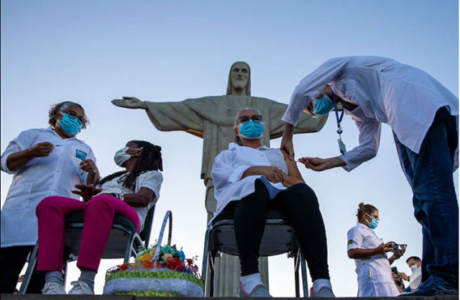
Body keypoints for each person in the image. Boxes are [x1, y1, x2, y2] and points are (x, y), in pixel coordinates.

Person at [281, 56, 458, 296]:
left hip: (415, 104)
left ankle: (449, 275)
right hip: (405, 116)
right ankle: (433, 276)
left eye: (310, 102)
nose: (314, 105)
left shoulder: (340, 68)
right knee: (423, 201)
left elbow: (302, 89)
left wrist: (288, 134)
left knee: (433, 194)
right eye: (311, 109)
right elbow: (369, 147)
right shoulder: (359, 111)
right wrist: (330, 162)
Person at [211, 108, 334, 297]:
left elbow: (299, 183)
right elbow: (222, 179)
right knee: (255, 185)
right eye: (244, 119)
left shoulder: (280, 154)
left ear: (263, 125)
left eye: (256, 118)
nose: (251, 122)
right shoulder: (228, 155)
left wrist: (278, 176)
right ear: (236, 130)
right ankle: (249, 278)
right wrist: (255, 171)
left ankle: (321, 282)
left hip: (282, 201)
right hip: (243, 204)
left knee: (304, 193)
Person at [35, 140, 163, 295]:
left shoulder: (151, 175)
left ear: (138, 152)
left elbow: (144, 199)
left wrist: (111, 196)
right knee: (49, 204)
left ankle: (86, 282)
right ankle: (53, 282)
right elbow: (94, 205)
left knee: (102, 201)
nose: (123, 149)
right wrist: (89, 196)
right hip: (101, 208)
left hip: (129, 217)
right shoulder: (111, 178)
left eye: (128, 146)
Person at [0, 101, 99, 294]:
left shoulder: (84, 149)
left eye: (81, 119)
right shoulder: (31, 135)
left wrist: (93, 171)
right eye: (71, 114)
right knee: (5, 272)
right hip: (21, 213)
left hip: (57, 219)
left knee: (43, 283)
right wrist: (31, 152)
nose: (76, 120)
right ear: (56, 115)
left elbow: (91, 184)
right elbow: (5, 163)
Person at [347, 203, 404, 297]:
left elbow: (379, 262)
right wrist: (376, 251)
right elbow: (351, 252)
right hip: (373, 279)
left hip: (386, 279)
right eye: (375, 217)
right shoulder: (356, 230)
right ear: (366, 216)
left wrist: (393, 257)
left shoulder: (373, 234)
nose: (377, 220)